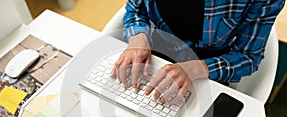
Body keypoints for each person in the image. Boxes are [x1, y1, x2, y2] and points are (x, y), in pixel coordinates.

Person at [110, 0, 285, 104]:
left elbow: (248, 56)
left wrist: (195, 69)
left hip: (208, 69)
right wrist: (137, 37)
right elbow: (136, 7)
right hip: (155, 53)